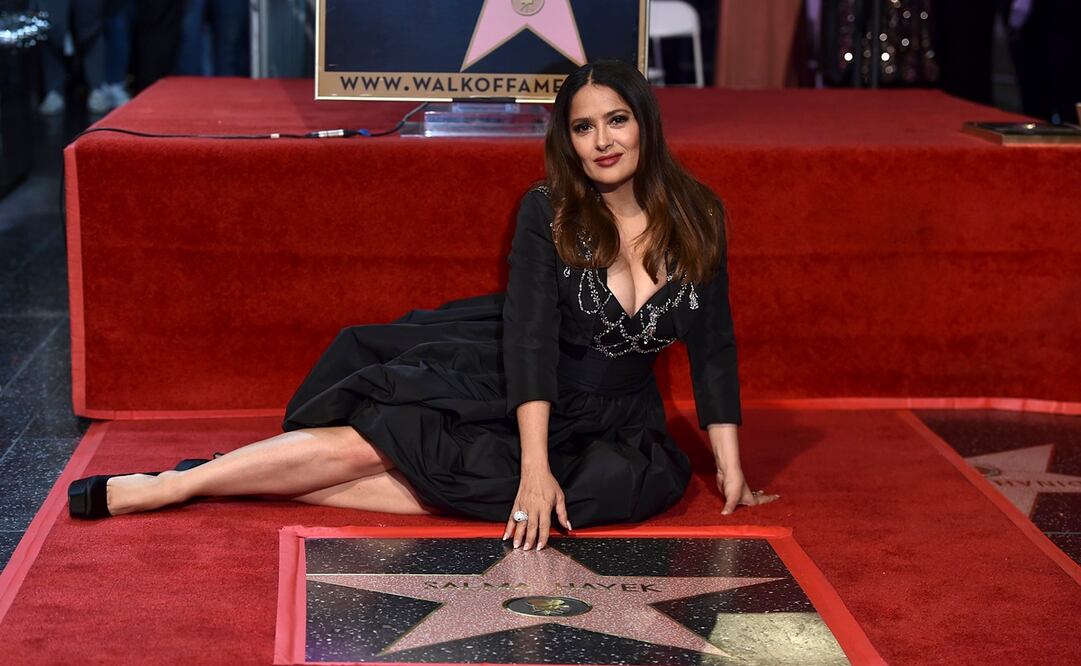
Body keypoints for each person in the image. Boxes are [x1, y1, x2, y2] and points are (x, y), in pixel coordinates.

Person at [67, 60, 779, 551]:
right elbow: (529, 340)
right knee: (385, 445)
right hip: (519, 382)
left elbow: (713, 345)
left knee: (588, 501)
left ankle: (252, 484)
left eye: (615, 121)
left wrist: (730, 467)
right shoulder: (549, 211)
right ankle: (167, 486)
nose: (601, 142)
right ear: (566, 138)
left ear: (644, 124)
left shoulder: (700, 216)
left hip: (618, 424)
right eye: (582, 127)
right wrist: (534, 461)